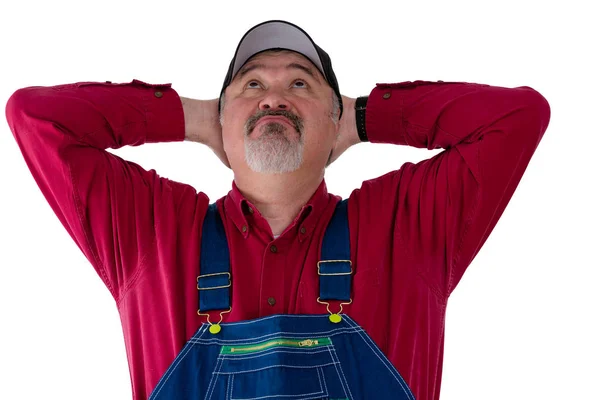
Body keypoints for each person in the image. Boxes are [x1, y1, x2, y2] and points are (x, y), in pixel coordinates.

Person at [5, 19, 551, 400]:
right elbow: (34, 116)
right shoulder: (151, 231)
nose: (273, 98)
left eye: (299, 82)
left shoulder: (406, 226)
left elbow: (518, 116)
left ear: (332, 118)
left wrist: (365, 118)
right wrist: (192, 117)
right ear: (223, 117)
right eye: (252, 85)